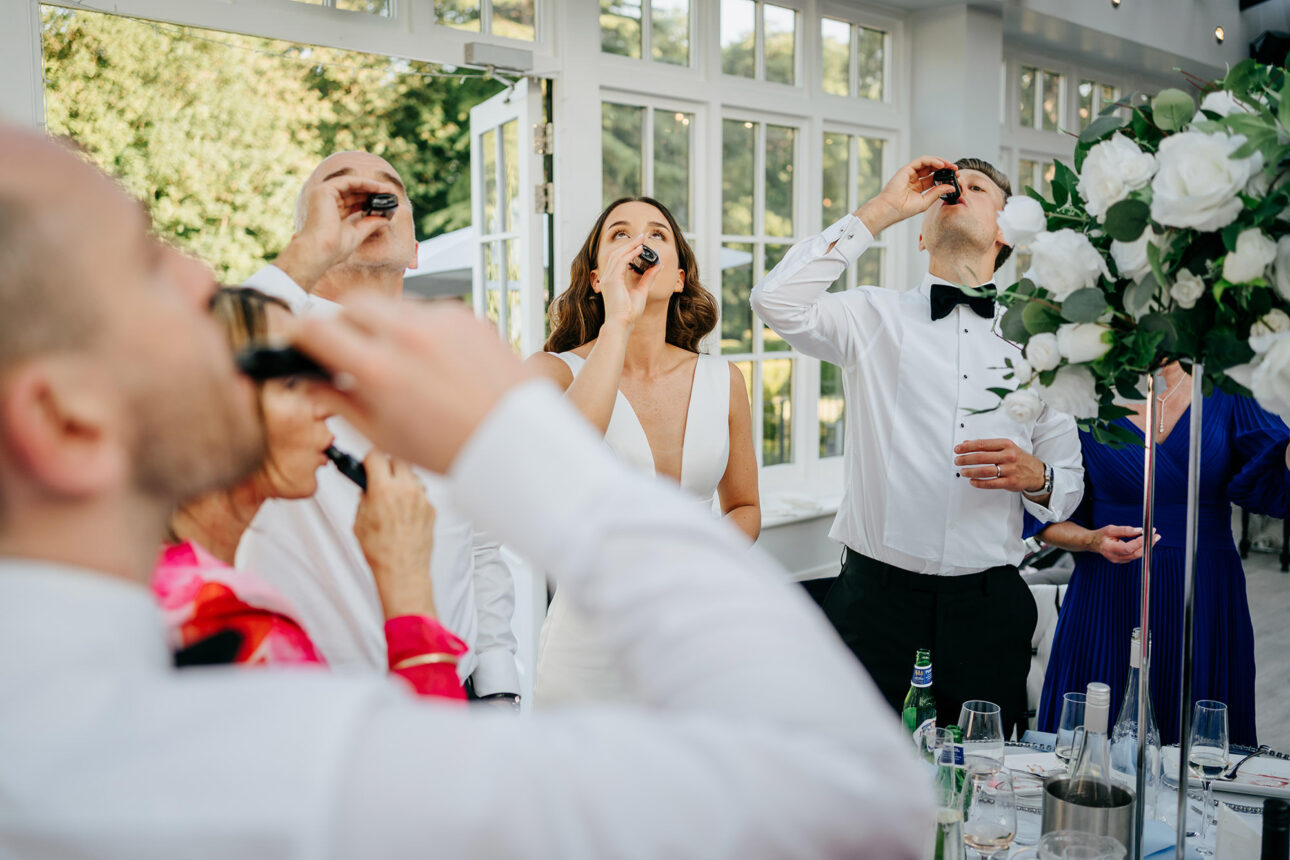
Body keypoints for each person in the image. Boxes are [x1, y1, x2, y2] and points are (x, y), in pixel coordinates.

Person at [0, 123, 931, 858]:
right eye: (146, 263)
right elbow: (856, 799)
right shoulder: (244, 735)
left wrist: (489, 667)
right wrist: (512, 444)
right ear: (68, 421)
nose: (206, 276)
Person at [750, 156, 1084, 738]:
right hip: (874, 604)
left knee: (982, 782)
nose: (955, 190)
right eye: (945, 190)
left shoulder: (1043, 342)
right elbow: (775, 301)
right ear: (923, 232)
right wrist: (881, 211)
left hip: (988, 609)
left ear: (1004, 233)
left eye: (976, 188)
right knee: (858, 782)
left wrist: (1038, 477)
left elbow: (1068, 484)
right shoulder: (869, 314)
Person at [238, 150, 521, 706]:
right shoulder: (269, 344)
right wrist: (311, 252)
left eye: (388, 188)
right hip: (310, 698)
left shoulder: (456, 356)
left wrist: (497, 682)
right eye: (339, 188)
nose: (367, 196)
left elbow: (483, 540)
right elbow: (207, 362)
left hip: (451, 690)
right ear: (311, 231)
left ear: (416, 250)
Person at [156, 286, 466, 699]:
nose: (328, 408)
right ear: (209, 404)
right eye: (291, 382)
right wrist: (406, 584)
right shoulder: (221, 622)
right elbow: (425, 761)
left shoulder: (153, 575)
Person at [528, 196, 760, 705]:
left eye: (658, 235)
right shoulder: (549, 372)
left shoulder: (725, 381)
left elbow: (744, 509)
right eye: (620, 234)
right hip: (590, 639)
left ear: (678, 276)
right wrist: (619, 321)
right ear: (596, 277)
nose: (641, 243)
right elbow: (565, 458)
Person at [1035, 362, 1290, 746]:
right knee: (1090, 758)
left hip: (1204, 594)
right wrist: (1091, 540)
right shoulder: (1079, 387)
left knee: (1200, 754)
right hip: (1107, 593)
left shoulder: (1229, 384)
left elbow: (1273, 487)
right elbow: (1042, 517)